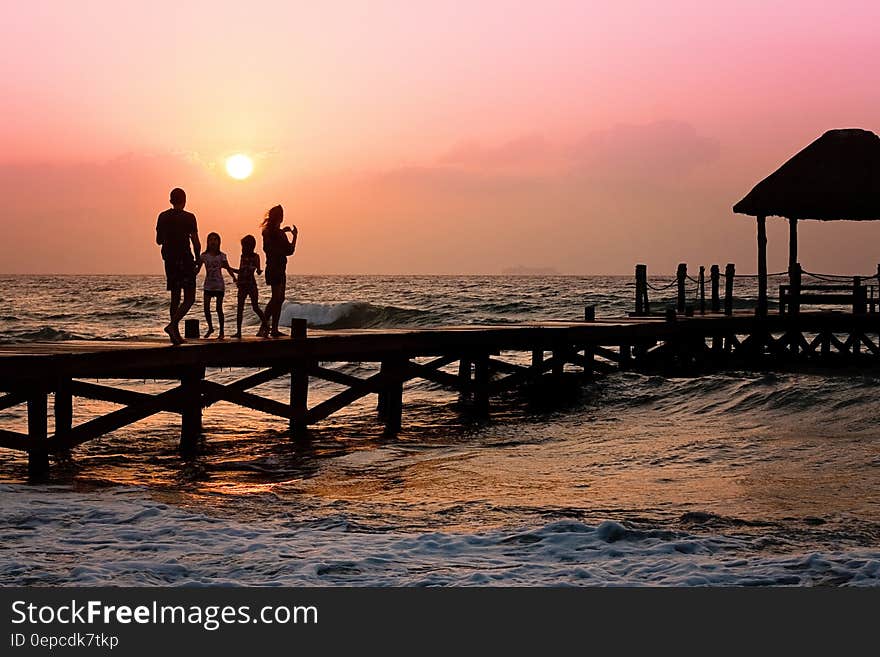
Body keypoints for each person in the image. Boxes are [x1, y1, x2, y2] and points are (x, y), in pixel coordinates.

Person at [155, 188, 200, 344]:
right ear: (185, 200)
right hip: (185, 259)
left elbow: (158, 240)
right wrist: (198, 260)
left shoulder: (162, 216)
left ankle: (175, 334)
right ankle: (173, 326)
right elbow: (195, 241)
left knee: (175, 297)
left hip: (169, 260)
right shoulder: (189, 217)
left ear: (170, 200)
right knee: (190, 297)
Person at [259, 205, 297, 338]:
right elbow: (290, 250)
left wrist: (283, 232)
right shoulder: (275, 233)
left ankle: (271, 328)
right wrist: (295, 236)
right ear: (279, 217)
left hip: (276, 268)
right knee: (277, 298)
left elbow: (270, 248)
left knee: (279, 299)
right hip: (276, 268)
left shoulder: (268, 232)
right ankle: (266, 327)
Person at [197, 232, 237, 339]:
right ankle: (210, 328)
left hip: (219, 285)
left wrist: (234, 277)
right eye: (211, 240)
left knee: (219, 308)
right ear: (208, 242)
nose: (213, 242)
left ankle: (222, 332)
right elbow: (197, 269)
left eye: (215, 239)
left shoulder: (221, 256)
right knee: (206, 308)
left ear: (219, 242)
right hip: (208, 285)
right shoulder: (204, 256)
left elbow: (228, 267)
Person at [233, 234, 267, 338]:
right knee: (240, 308)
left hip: (251, 284)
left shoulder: (255, 257)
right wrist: (229, 269)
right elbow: (241, 271)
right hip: (242, 285)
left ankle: (266, 325)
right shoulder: (242, 257)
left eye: (244, 246)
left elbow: (258, 270)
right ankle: (238, 332)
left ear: (250, 246)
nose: (243, 248)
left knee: (255, 307)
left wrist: (259, 270)